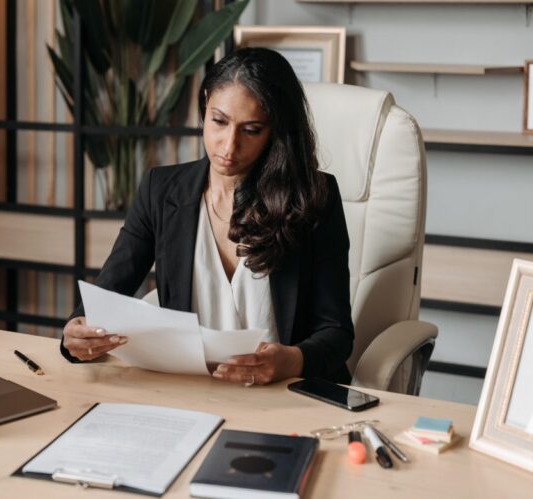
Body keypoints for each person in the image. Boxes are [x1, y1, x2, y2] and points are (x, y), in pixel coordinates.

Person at [61, 47, 354, 386]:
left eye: (252, 129)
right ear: (204, 106)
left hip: (285, 392)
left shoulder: (313, 197)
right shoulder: (161, 190)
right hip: (192, 390)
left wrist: (289, 361)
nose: (228, 147)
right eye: (218, 121)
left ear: (276, 130)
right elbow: (108, 293)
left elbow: (337, 333)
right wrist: (78, 332)